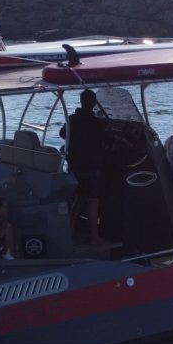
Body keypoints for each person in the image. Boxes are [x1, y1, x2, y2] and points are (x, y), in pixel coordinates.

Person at [60, 88, 108, 243]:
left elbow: (63, 134)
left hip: (75, 166)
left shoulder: (73, 119)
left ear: (81, 102)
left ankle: (70, 231)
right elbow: (107, 137)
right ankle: (94, 237)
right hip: (91, 167)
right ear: (94, 103)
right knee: (93, 201)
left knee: (78, 199)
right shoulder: (98, 123)